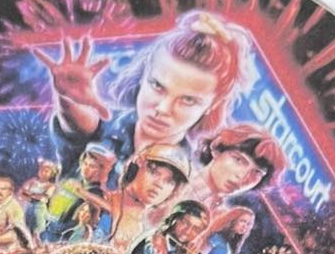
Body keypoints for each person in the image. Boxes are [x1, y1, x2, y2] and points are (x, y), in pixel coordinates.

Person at [36, 10, 256, 183]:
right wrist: (68, 98)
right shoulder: (104, 129)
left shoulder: (189, 179)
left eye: (188, 100)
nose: (163, 108)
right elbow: (80, 125)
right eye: (157, 86)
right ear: (144, 75)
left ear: (213, 104)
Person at [107, 143, 191, 254]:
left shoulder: (148, 234)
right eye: (154, 172)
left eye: (169, 182)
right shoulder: (103, 203)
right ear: (137, 166)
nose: (159, 184)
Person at [190, 123, 285, 213]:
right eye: (238, 160)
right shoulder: (183, 176)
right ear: (217, 148)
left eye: (257, 172)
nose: (243, 177)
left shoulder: (222, 217)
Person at [42, 142, 117, 242]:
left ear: (100, 170)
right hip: (49, 227)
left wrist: (82, 192)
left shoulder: (96, 192)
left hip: (66, 237)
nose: (86, 168)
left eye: (92, 166)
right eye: (85, 164)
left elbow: (109, 208)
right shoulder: (72, 182)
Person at [20, 159, 59, 236]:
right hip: (29, 206)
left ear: (51, 174)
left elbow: (44, 197)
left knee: (38, 228)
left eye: (46, 171)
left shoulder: (50, 186)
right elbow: (22, 191)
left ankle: (37, 238)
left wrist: (30, 194)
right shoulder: (33, 181)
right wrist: (31, 195)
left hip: (39, 208)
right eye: (41, 170)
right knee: (26, 226)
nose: (43, 172)